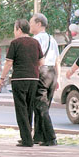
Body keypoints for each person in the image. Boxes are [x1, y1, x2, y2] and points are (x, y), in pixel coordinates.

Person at [0, 19, 44, 147]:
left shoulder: (15, 43)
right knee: (29, 108)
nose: (14, 32)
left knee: (21, 109)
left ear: (19, 29)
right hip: (34, 79)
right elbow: (41, 62)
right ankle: (28, 136)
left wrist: (2, 78)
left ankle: (26, 140)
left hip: (19, 79)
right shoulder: (35, 42)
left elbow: (8, 63)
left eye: (14, 29)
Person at [29, 13, 59, 146]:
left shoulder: (36, 39)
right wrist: (58, 78)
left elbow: (34, 59)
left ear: (39, 24)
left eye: (31, 23)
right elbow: (57, 60)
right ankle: (38, 137)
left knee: (40, 106)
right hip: (52, 73)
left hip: (41, 71)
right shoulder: (52, 39)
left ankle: (51, 137)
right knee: (44, 106)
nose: (30, 25)